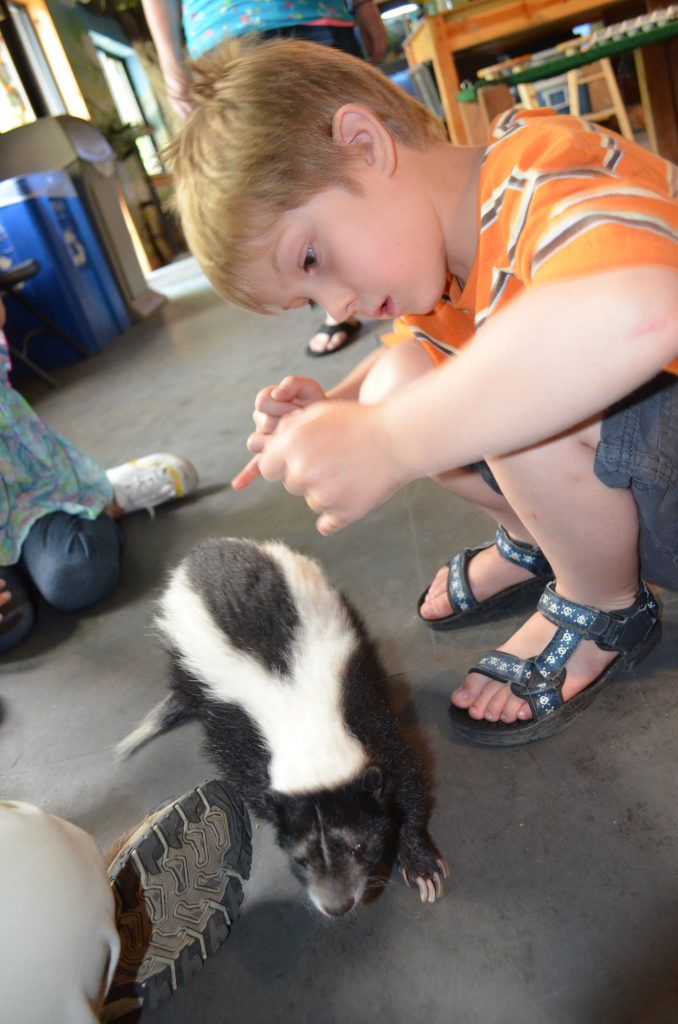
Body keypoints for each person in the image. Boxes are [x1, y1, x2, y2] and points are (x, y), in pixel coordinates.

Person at [166, 39, 678, 747]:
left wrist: (390, 440)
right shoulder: (448, 261)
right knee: (403, 378)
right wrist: (338, 411)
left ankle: (601, 602)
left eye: (311, 260)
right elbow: (414, 354)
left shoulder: (540, 164)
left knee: (499, 394)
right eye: (307, 300)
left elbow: (641, 308)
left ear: (364, 145)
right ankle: (550, 543)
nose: (336, 309)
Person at [141, 0, 386, 355]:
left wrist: (364, 4)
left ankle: (398, 266)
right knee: (282, 194)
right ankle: (354, 295)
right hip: (224, 30)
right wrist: (169, 59)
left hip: (316, 12)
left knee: (353, 158)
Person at [0, 301, 198, 655]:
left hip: (30, 494)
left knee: (78, 577)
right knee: (9, 630)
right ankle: (28, 569)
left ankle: (105, 497)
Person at [0, 780, 251, 1023]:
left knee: (38, 899)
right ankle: (87, 971)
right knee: (39, 886)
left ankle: (84, 978)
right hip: (42, 857)